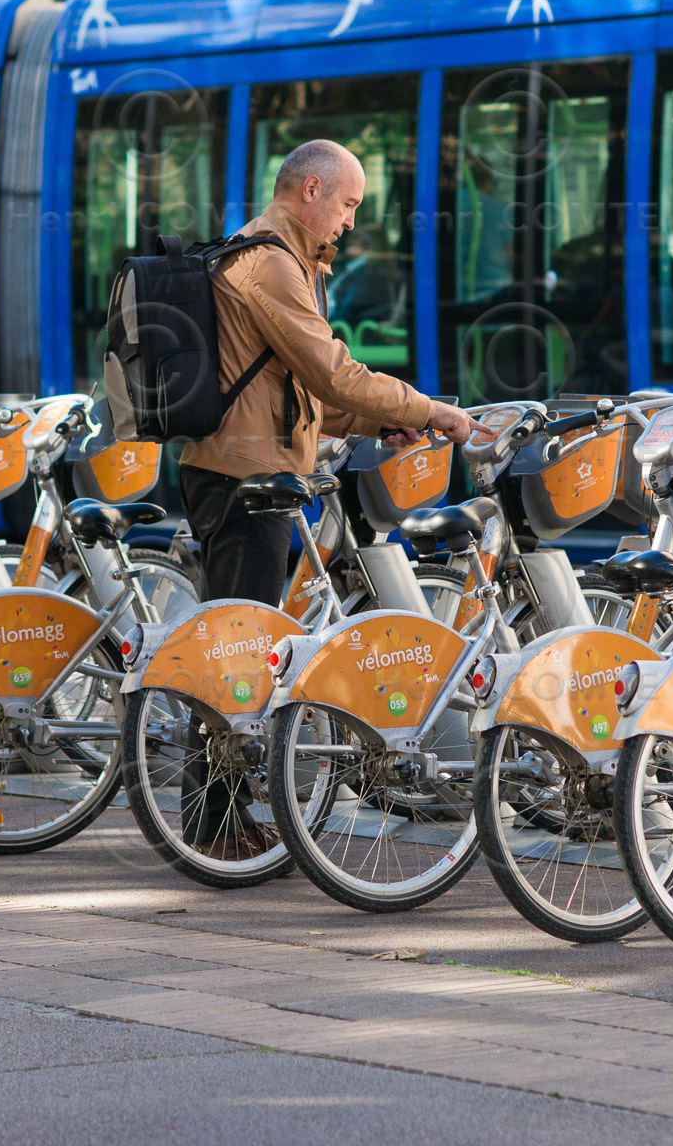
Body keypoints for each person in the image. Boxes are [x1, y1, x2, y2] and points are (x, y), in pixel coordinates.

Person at [177, 138, 491, 860]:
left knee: (246, 642)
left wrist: (380, 418)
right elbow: (332, 371)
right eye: (348, 204)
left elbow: (298, 392)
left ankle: (223, 813)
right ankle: (212, 824)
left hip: (251, 470)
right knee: (240, 652)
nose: (351, 223)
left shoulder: (278, 258)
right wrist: (426, 409)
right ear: (310, 191)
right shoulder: (270, 263)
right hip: (243, 479)